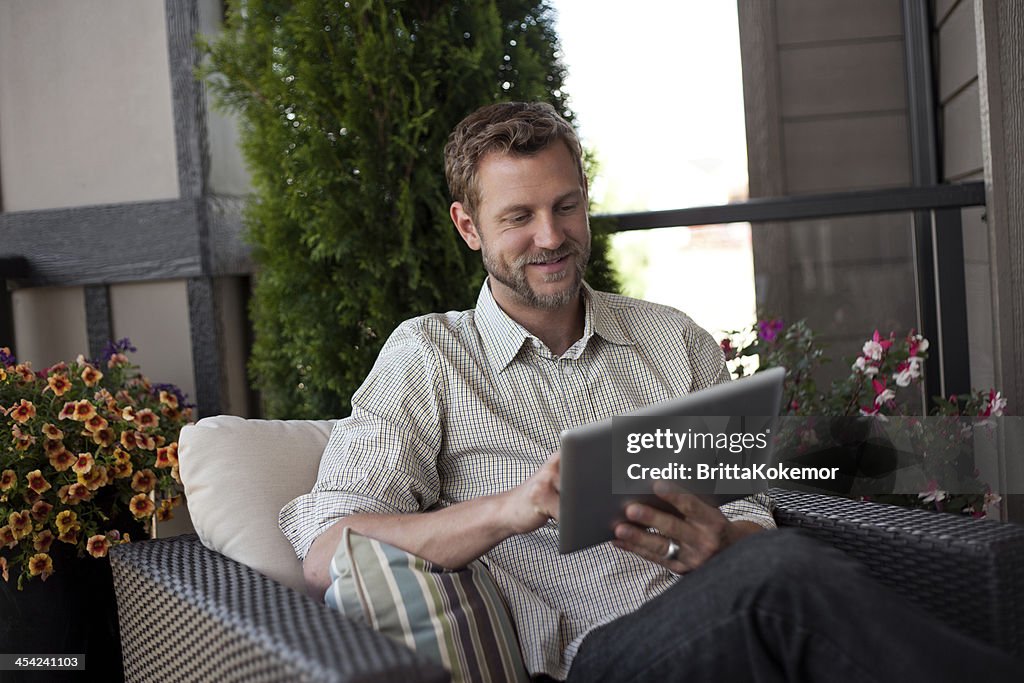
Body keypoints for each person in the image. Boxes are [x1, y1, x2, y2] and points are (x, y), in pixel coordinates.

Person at [280, 101, 1020, 681]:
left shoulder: (671, 338)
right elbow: (326, 548)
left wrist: (724, 541)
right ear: (468, 227)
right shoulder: (430, 356)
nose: (551, 235)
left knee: (779, 573)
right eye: (518, 217)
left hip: (729, 610)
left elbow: (751, 499)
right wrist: (513, 508)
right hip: (599, 659)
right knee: (785, 575)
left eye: (566, 205)